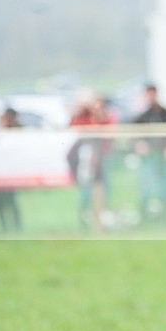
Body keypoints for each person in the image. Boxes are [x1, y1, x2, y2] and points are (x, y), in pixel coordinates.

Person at [133, 83, 166, 219]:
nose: (151, 97)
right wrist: (139, 144)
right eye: (148, 94)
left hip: (164, 157)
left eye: (152, 93)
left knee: (165, 187)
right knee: (146, 187)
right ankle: (144, 216)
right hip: (149, 158)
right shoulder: (142, 117)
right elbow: (134, 135)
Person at [68, 93, 114, 232]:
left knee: (103, 193)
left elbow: (106, 124)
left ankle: (102, 224)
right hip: (86, 164)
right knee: (86, 195)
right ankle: (85, 223)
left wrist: (96, 111)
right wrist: (81, 109)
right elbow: (72, 126)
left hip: (102, 163)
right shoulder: (84, 117)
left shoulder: (106, 117)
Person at [0, 107, 23, 233]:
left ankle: (16, 226)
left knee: (11, 201)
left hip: (7, 173)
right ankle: (4, 227)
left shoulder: (17, 130)